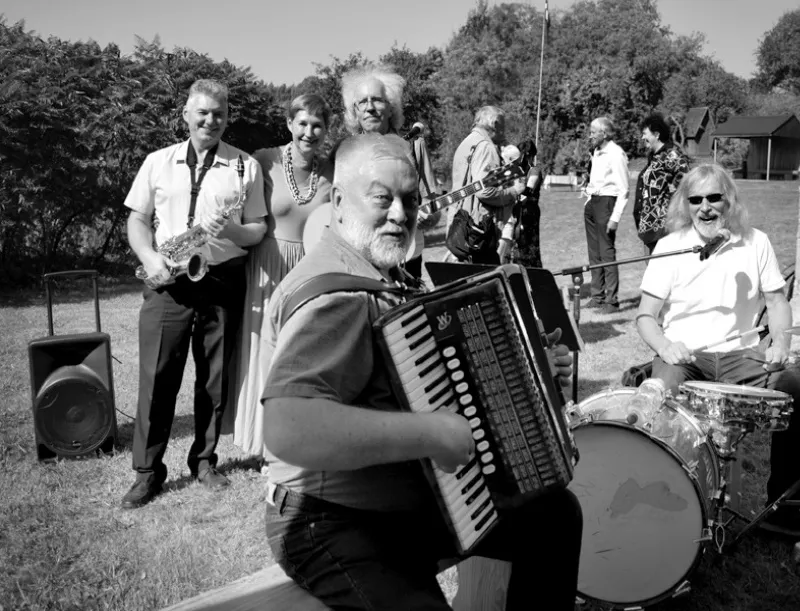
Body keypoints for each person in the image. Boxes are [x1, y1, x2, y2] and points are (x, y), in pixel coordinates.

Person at [261, 133, 583, 610]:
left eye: (410, 199)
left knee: (553, 516)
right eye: (381, 198)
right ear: (337, 201)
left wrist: (535, 367)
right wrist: (430, 434)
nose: (399, 213)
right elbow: (289, 428)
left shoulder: (377, 272)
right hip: (327, 520)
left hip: (408, 505)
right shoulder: (335, 298)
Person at [635, 163, 800, 537]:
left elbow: (778, 302)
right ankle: (655, 502)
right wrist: (665, 346)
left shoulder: (755, 242)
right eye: (695, 199)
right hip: (685, 357)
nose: (705, 207)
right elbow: (645, 317)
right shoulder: (669, 247)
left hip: (742, 357)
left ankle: (784, 509)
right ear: (685, 204)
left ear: (728, 200)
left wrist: (781, 342)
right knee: (655, 399)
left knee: (797, 390)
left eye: (714, 197)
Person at [122, 79, 268, 509]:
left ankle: (203, 461)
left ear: (228, 117)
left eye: (219, 113)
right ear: (185, 114)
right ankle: (147, 472)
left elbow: (258, 229)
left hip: (221, 279)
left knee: (214, 379)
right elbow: (137, 220)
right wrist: (149, 257)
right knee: (157, 377)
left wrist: (235, 229)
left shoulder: (245, 167)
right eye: (202, 112)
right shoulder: (157, 162)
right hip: (168, 280)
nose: (210, 120)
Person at [222, 94, 334, 459]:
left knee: (299, 355)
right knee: (264, 352)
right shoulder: (264, 160)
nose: (309, 132)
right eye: (302, 123)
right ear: (289, 123)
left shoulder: (331, 172)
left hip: (308, 269)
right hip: (267, 266)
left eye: (317, 125)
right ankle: (261, 441)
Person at [340, 63, 441, 281]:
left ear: (391, 107)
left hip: (405, 254)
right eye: (362, 102)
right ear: (354, 112)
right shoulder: (345, 154)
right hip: (360, 257)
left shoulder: (414, 146)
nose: (370, 108)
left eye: (377, 99)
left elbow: (434, 207)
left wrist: (428, 216)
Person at [447, 105, 525, 265]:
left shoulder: (467, 143)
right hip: (479, 233)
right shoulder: (486, 147)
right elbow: (485, 191)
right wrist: (513, 192)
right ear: (495, 124)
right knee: (488, 283)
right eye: (503, 125)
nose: (505, 130)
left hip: (460, 228)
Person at [583, 117, 629, 313]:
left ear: (604, 133)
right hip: (593, 203)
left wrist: (615, 217)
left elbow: (624, 189)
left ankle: (612, 300)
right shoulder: (596, 152)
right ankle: (597, 296)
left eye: (593, 131)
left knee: (607, 253)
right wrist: (588, 201)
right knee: (594, 253)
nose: (590, 135)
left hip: (607, 204)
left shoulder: (616, 154)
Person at [633, 112, 690, 255]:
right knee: (652, 268)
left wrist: (670, 203)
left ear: (656, 134)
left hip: (662, 225)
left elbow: (688, 180)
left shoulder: (670, 155)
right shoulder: (655, 157)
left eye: (645, 134)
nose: (643, 137)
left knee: (660, 270)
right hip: (648, 225)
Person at [512, 139, 544, 268]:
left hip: (529, 213)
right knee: (517, 246)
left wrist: (515, 187)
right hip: (516, 212)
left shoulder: (534, 170)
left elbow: (529, 189)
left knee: (530, 247)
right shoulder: (516, 171)